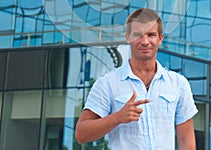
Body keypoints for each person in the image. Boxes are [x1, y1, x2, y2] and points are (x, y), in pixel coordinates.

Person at [75, 8, 198, 149]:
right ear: (127, 37)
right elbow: (81, 134)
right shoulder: (107, 83)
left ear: (160, 39)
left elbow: (186, 140)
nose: (145, 41)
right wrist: (117, 117)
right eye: (138, 35)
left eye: (151, 35)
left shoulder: (178, 84)